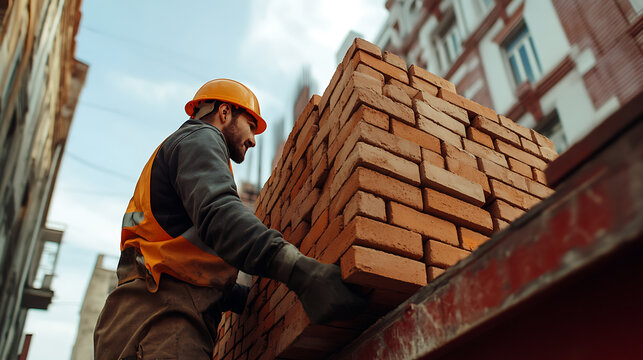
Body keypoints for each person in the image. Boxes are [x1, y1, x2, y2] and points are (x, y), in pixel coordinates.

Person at [93, 79, 366, 359]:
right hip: (158, 319)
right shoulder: (200, 138)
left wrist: (251, 300)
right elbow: (220, 214)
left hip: (146, 313)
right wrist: (299, 271)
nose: (253, 139)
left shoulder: (185, 151)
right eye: (250, 124)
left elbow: (188, 257)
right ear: (224, 113)